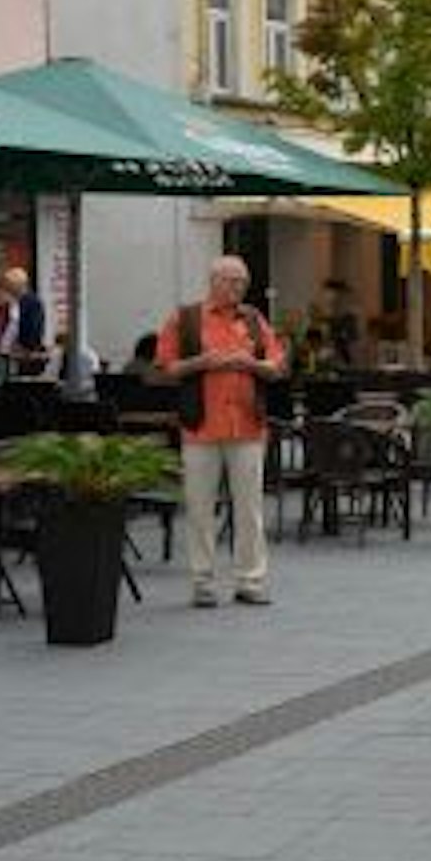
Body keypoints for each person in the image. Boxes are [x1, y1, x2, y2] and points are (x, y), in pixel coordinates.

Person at [156, 256, 287, 608]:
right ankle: (203, 582)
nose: (238, 288)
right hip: (201, 425)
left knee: (250, 508)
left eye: (242, 282)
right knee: (200, 508)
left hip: (247, 425)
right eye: (232, 281)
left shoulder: (255, 319)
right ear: (213, 281)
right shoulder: (185, 319)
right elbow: (165, 368)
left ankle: (251, 580)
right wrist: (203, 362)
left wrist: (253, 365)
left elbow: (277, 366)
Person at [0, 267, 46, 377]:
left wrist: (23, 346)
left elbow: (34, 329)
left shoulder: (32, 303)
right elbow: (1, 327)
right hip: (3, 354)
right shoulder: (9, 303)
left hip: (22, 356)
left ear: (18, 285)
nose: (7, 287)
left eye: (9, 284)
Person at [47, 327, 102, 401]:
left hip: (85, 391)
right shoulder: (58, 355)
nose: (60, 349)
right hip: (62, 392)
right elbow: (52, 374)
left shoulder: (88, 355)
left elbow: (94, 376)